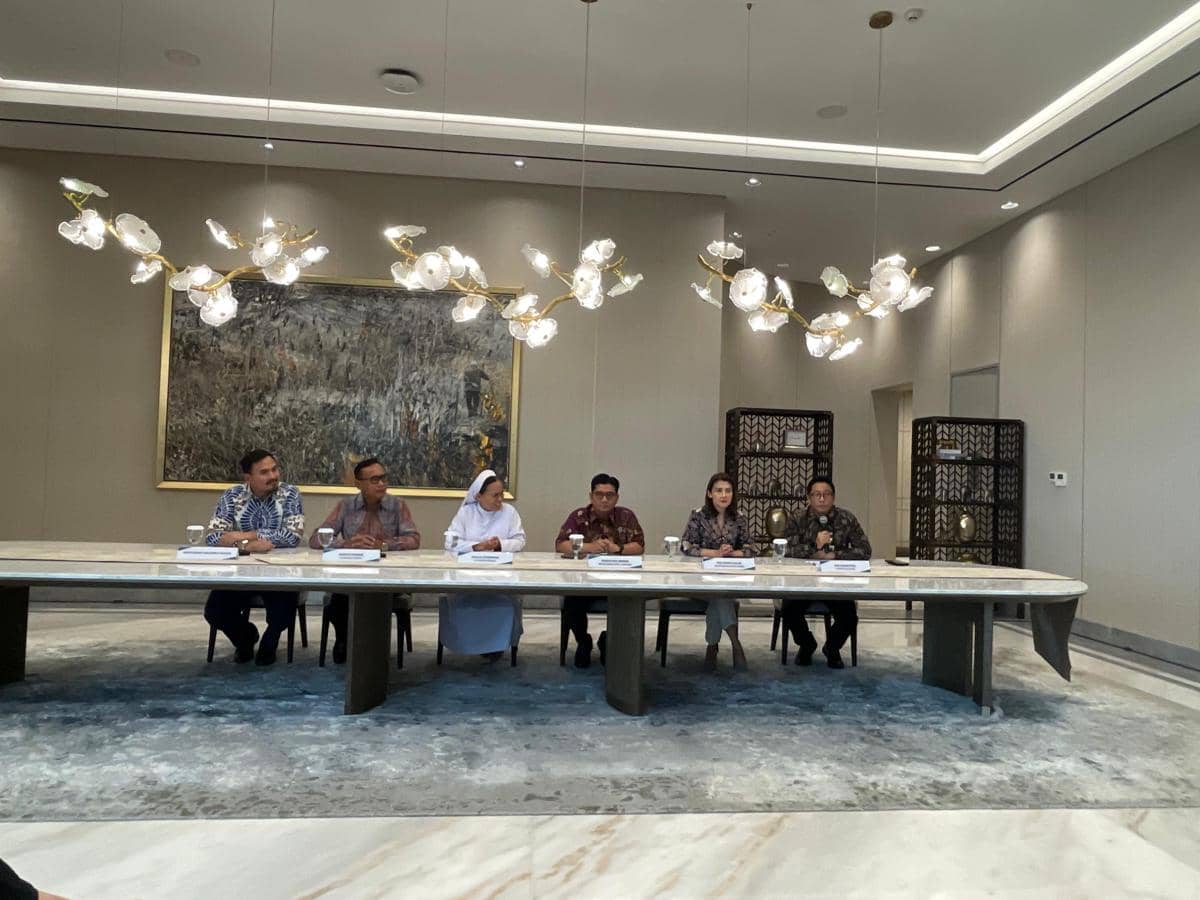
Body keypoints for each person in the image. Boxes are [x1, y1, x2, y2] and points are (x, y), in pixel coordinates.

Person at [308, 457, 421, 664]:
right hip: (350, 575)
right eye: (374, 480)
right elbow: (316, 539)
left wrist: (383, 545)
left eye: (384, 478)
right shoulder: (346, 505)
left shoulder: (397, 505)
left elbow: (413, 539)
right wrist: (345, 544)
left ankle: (374, 650)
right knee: (337, 604)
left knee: (375, 603)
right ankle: (344, 640)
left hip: (388, 577)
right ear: (358, 484)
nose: (381, 484)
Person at [203, 449, 305, 666]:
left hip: (279, 571)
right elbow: (213, 537)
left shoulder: (290, 494)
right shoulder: (232, 496)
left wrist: (245, 535)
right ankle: (246, 638)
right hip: (239, 571)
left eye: (274, 469)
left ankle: (270, 641)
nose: (273, 476)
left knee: (283, 611)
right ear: (248, 478)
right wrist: (247, 546)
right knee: (214, 611)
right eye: (264, 472)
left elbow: (292, 536)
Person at [554, 473, 646, 668]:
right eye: (599, 494)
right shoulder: (578, 517)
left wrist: (617, 548)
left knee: (630, 602)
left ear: (617, 498)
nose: (604, 499)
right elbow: (561, 545)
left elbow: (639, 546)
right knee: (571, 601)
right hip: (584, 581)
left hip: (618, 581)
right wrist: (591, 547)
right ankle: (583, 641)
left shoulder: (626, 516)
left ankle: (608, 640)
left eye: (609, 495)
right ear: (591, 496)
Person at [782, 476, 870, 668]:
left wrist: (835, 555)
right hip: (803, 582)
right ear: (809, 498)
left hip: (836, 582)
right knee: (789, 610)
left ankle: (832, 647)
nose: (822, 499)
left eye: (826, 494)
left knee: (849, 616)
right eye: (817, 494)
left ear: (833, 497)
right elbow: (785, 550)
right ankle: (806, 644)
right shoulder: (797, 518)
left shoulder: (846, 518)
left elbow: (865, 550)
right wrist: (814, 547)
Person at [439, 469, 526, 661]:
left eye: (502, 494)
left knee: (501, 605)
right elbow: (450, 543)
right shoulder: (465, 513)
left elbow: (520, 541)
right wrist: (476, 546)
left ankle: (497, 645)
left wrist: (499, 544)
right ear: (478, 496)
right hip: (467, 578)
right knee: (465, 605)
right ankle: (468, 644)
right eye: (495, 495)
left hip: (500, 577)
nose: (500, 500)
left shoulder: (510, 512)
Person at [680, 472, 752, 671]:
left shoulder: (739, 518)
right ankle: (736, 644)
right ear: (710, 493)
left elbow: (751, 548)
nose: (724, 495)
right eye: (719, 490)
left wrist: (733, 552)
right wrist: (714, 553)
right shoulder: (698, 515)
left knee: (719, 596)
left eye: (728, 491)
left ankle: (712, 647)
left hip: (729, 578)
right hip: (699, 579)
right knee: (720, 595)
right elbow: (686, 546)